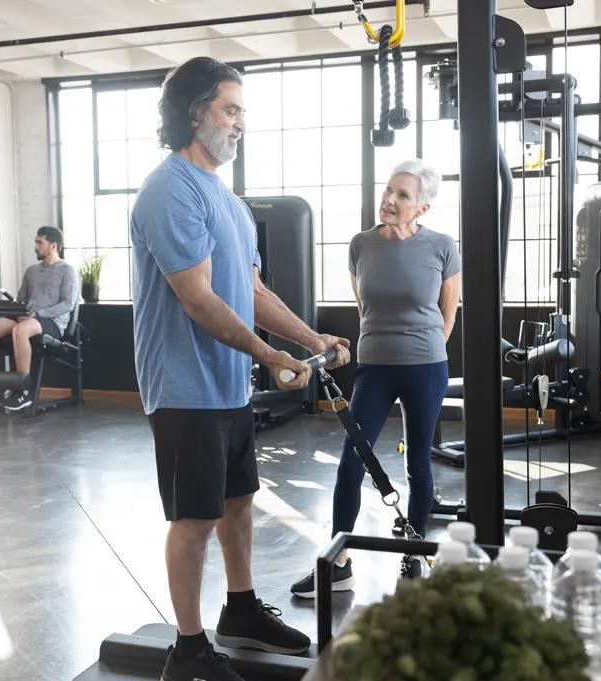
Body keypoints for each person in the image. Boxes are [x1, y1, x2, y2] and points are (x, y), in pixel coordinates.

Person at [130, 56, 350, 681]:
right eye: (231, 110)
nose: (240, 123)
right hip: (182, 384)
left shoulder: (229, 201)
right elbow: (196, 297)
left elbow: (252, 290)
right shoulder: (169, 188)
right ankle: (190, 648)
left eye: (243, 112)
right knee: (194, 516)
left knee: (238, 501)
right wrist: (270, 355)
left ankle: (242, 608)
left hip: (225, 385)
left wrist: (311, 336)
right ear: (196, 113)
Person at [290, 158, 461, 597]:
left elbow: (448, 311)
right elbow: (364, 307)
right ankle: (339, 564)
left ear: (422, 208)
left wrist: (427, 349)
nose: (389, 199)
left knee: (417, 463)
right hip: (374, 367)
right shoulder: (360, 245)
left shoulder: (442, 246)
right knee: (351, 463)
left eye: (403, 195)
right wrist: (382, 344)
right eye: (389, 190)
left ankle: (413, 551)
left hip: (425, 367)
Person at [0, 226, 79, 413]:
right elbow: (22, 300)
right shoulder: (31, 271)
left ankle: (23, 391)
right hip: (27, 318)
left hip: (51, 322)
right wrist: (18, 308)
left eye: (39, 242)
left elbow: (67, 304)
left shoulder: (67, 271)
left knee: (20, 330)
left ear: (53, 245)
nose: (35, 246)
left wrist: (39, 313)